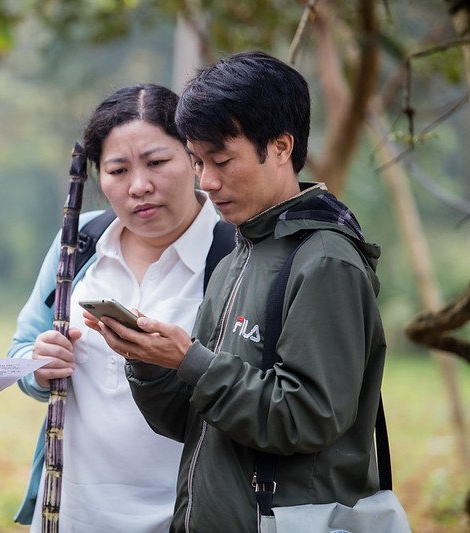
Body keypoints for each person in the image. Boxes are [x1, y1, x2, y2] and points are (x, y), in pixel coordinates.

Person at [83, 51, 388, 531]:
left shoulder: (325, 262)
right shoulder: (238, 257)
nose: (208, 181)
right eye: (199, 161)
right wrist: (147, 361)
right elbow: (195, 421)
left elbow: (307, 417)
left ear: (282, 147)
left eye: (222, 161)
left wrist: (191, 361)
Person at [8, 83, 231, 532]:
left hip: (187, 516)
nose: (140, 186)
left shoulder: (232, 250)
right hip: (71, 515)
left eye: (156, 162)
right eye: (117, 170)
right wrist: (37, 365)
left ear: (193, 158)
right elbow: (21, 351)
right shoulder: (79, 243)